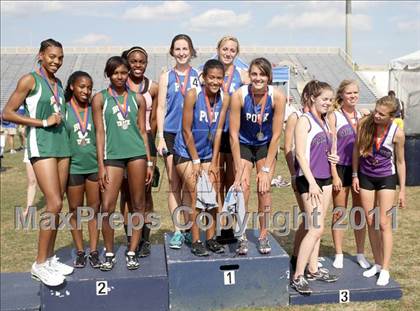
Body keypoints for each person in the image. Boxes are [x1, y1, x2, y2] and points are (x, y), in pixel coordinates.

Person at [3, 38, 73, 286]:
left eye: (60, 57)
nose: (56, 61)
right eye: (52, 56)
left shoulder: (58, 82)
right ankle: (39, 263)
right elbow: (7, 113)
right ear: (41, 55)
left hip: (61, 144)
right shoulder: (29, 79)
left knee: (59, 203)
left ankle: (50, 257)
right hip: (42, 144)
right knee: (52, 202)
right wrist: (42, 123)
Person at [92, 56, 152, 271]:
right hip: (112, 157)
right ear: (108, 74)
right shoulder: (99, 99)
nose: (120, 76)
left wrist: (150, 162)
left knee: (138, 205)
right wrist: (100, 165)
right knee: (107, 206)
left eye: (123, 73)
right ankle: (109, 252)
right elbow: (99, 133)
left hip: (136, 155)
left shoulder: (138, 99)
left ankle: (132, 251)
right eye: (115, 72)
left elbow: (143, 132)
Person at [230, 57, 286, 255]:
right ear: (249, 75)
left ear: (269, 77)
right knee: (242, 188)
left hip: (265, 145)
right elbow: (233, 134)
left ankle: (263, 235)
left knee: (264, 190)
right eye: (254, 74)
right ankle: (242, 235)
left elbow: (277, 134)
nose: (258, 78)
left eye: (262, 74)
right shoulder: (239, 95)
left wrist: (266, 169)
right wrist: (238, 168)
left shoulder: (278, 97)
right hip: (244, 143)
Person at [173, 59, 229, 256]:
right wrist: (196, 161)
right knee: (196, 193)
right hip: (186, 152)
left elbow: (220, 130)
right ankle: (196, 239)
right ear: (204, 77)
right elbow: (186, 130)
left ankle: (211, 238)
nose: (215, 82)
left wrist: (214, 161)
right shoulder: (192, 94)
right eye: (211, 77)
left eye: (219, 78)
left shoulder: (225, 97)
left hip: (207, 153)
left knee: (212, 195)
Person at [291, 80, 339, 294]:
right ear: (312, 98)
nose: (328, 103)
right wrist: (310, 182)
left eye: (330, 99)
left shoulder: (326, 121)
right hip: (309, 180)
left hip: (325, 179)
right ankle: (298, 275)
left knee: (319, 230)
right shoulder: (304, 120)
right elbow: (300, 154)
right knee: (315, 227)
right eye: (324, 99)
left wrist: (333, 158)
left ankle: (313, 268)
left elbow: (327, 150)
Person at [352, 96, 406, 286]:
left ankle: (385, 268)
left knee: (384, 223)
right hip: (366, 176)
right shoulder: (365, 124)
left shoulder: (397, 133)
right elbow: (356, 150)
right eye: (376, 111)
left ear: (392, 116)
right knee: (370, 221)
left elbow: (400, 162)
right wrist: (355, 175)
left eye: (382, 114)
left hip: (386, 178)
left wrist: (402, 190)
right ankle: (377, 262)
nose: (376, 115)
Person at [156, 34, 199, 249]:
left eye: (185, 48)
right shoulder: (166, 76)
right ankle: (177, 230)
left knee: (191, 185)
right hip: (172, 134)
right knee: (174, 183)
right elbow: (161, 108)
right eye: (178, 49)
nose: (182, 53)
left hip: (191, 135)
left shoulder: (198, 76)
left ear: (191, 50)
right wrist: (160, 136)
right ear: (172, 51)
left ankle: (191, 227)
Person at [120, 46, 159, 257]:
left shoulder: (153, 87)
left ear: (146, 63)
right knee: (126, 193)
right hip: (123, 142)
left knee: (145, 193)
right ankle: (130, 238)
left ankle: (145, 237)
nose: (137, 65)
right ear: (127, 62)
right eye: (133, 61)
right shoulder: (119, 84)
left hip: (145, 142)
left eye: (141, 62)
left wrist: (151, 153)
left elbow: (152, 122)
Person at [329, 80, 370, 269]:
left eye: (355, 93)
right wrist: (334, 175)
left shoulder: (363, 116)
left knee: (359, 212)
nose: (353, 96)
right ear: (341, 95)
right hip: (341, 169)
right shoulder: (334, 116)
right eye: (349, 93)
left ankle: (360, 253)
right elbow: (330, 147)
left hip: (360, 170)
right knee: (339, 211)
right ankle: (338, 253)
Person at [64, 71, 101, 268]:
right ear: (72, 86)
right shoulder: (65, 109)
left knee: (94, 211)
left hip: (94, 166)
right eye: (81, 86)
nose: (86, 91)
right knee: (75, 211)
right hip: (73, 168)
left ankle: (94, 251)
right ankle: (80, 251)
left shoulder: (94, 108)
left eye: (89, 87)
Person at [214, 35, 249, 243]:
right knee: (216, 182)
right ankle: (221, 225)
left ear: (237, 53)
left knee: (233, 182)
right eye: (225, 49)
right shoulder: (207, 74)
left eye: (232, 50)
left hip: (236, 134)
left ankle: (234, 227)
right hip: (215, 133)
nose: (228, 53)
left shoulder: (243, 76)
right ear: (218, 49)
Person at [284, 83, 310, 271]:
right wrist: (293, 174)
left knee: (310, 219)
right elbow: (287, 147)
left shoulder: (321, 117)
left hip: (317, 175)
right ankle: (296, 257)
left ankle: (302, 256)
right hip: (301, 174)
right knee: (309, 218)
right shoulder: (295, 116)